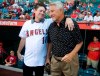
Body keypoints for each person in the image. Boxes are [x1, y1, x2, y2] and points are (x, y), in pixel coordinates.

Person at [17, 3, 74, 76]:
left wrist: (68, 18)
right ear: (34, 10)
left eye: (44, 11)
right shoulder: (27, 23)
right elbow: (23, 39)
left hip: (41, 61)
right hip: (28, 59)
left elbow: (59, 17)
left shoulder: (48, 22)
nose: (42, 13)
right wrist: (18, 51)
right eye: (40, 11)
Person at [46, 1, 83, 76]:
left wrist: (71, 55)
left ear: (61, 10)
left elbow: (80, 42)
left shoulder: (71, 24)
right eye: (49, 11)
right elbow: (50, 43)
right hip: (55, 61)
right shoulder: (51, 26)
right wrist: (48, 57)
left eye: (52, 11)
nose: (50, 14)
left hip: (70, 61)